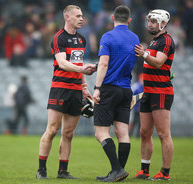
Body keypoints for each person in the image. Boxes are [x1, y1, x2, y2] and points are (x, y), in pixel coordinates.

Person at [36, 5, 96, 179]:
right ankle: (42, 170)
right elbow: (62, 63)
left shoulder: (82, 39)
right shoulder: (58, 38)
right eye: (77, 16)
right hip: (60, 89)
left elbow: (78, 67)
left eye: (82, 15)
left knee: (68, 134)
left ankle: (63, 171)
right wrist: (83, 69)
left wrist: (85, 88)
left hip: (76, 91)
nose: (81, 18)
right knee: (52, 130)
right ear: (67, 17)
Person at [93, 5, 139, 182]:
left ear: (112, 18)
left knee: (101, 133)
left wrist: (97, 88)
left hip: (109, 88)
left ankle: (117, 169)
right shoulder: (135, 37)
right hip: (126, 89)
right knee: (122, 132)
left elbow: (104, 64)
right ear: (129, 20)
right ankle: (118, 172)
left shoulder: (108, 36)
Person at [134, 9, 175, 180]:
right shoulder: (154, 41)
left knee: (163, 133)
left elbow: (158, 63)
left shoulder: (166, 40)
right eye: (149, 21)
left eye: (153, 21)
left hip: (161, 92)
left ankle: (165, 172)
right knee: (144, 132)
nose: (149, 24)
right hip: (148, 91)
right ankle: (144, 170)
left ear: (163, 24)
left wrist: (143, 53)